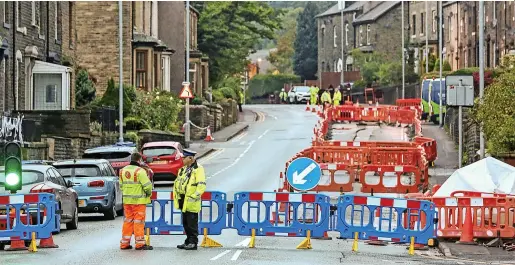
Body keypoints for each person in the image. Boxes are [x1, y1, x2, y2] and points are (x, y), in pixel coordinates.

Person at [119, 153, 153, 251]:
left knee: (128, 221)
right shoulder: (140, 171)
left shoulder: (122, 171)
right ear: (139, 160)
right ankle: (140, 244)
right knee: (139, 222)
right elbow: (147, 186)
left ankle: (124, 243)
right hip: (139, 201)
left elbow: (121, 186)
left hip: (127, 201)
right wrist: (148, 193)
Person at [174, 149, 206, 251]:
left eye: (184, 157)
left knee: (192, 224)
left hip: (192, 201)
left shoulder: (198, 169)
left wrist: (193, 196)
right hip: (183, 200)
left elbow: (201, 186)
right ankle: (188, 241)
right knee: (186, 223)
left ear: (191, 158)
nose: (182, 159)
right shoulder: (183, 169)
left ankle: (193, 242)